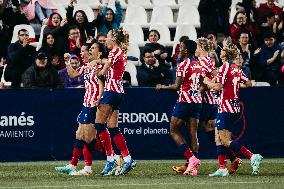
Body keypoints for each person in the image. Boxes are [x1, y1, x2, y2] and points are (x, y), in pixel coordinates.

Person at [203, 43, 263, 177]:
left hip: (226, 107)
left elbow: (217, 87)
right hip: (232, 107)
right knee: (218, 138)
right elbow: (248, 84)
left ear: (225, 54)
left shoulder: (225, 67)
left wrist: (207, 82)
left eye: (222, 50)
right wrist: (234, 85)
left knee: (224, 140)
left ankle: (252, 156)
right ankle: (222, 168)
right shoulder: (236, 67)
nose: (220, 51)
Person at [55, 42, 109, 175]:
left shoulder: (99, 65)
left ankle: (88, 168)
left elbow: (102, 81)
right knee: (80, 134)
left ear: (91, 53)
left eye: (84, 51)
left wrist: (99, 98)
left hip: (93, 105)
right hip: (86, 104)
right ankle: (72, 165)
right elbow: (72, 74)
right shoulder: (86, 67)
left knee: (88, 137)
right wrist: (67, 62)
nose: (81, 54)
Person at [156, 39, 203, 176]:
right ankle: (193, 169)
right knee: (193, 134)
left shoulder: (183, 64)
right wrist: (195, 93)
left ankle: (192, 158)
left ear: (186, 50)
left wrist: (162, 87)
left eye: (181, 47)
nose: (179, 49)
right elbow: (203, 84)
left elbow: (176, 86)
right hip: (197, 101)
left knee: (173, 130)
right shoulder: (198, 64)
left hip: (185, 101)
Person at [93, 28, 136, 176]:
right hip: (119, 92)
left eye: (108, 37)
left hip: (111, 92)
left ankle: (111, 160)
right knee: (112, 127)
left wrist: (97, 72)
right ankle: (128, 158)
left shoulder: (114, 52)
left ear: (114, 39)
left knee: (99, 124)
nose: (106, 40)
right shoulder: (120, 53)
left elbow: (104, 71)